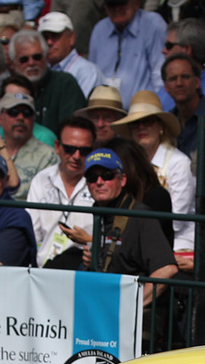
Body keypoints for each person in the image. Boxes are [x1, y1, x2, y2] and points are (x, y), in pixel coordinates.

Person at [82, 148, 178, 306]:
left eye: (107, 176)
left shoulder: (140, 216)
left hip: (132, 320)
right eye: (92, 178)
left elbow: (167, 268)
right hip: (102, 309)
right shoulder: (100, 215)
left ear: (123, 179)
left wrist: (135, 306)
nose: (99, 182)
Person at [112, 89, 195, 269]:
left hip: (176, 245)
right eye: (135, 123)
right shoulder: (127, 162)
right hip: (135, 241)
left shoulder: (180, 163)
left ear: (160, 126)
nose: (141, 128)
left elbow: (177, 220)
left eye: (147, 122)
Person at [26, 115, 97, 268]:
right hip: (43, 271)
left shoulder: (100, 183)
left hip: (85, 271)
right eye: (69, 149)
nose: (76, 156)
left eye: (84, 151)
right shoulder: (41, 179)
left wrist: (89, 240)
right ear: (57, 146)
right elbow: (31, 234)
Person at [88, 0, 168, 104]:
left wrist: (156, 108)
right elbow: (92, 73)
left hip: (141, 112)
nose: (117, 8)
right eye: (111, 5)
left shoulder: (152, 24)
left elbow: (159, 74)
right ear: (105, 7)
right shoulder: (100, 29)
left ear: (137, 3)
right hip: (105, 111)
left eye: (122, 3)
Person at [6, 29, 85, 135]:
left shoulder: (65, 84)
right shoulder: (9, 89)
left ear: (47, 58)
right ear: (14, 64)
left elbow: (73, 131)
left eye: (37, 57)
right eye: (24, 59)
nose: (31, 63)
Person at [0, 90, 57, 198]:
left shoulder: (48, 155)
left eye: (27, 113)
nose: (20, 117)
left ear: (34, 118)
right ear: (0, 118)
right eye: (13, 112)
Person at [38, 11, 99, 96]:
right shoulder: (41, 70)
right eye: (45, 37)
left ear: (71, 37)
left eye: (55, 35)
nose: (49, 42)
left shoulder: (87, 72)